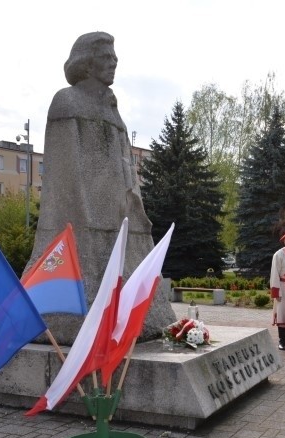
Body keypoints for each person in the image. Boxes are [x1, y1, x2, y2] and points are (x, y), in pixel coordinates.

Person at [27, 31, 174, 344]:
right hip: (86, 216)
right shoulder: (67, 101)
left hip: (120, 212)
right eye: (106, 57)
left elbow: (125, 162)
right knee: (93, 284)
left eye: (114, 58)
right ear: (87, 63)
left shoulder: (111, 107)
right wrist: (83, 217)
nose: (114, 63)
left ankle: (139, 318)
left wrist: (134, 201)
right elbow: (65, 171)